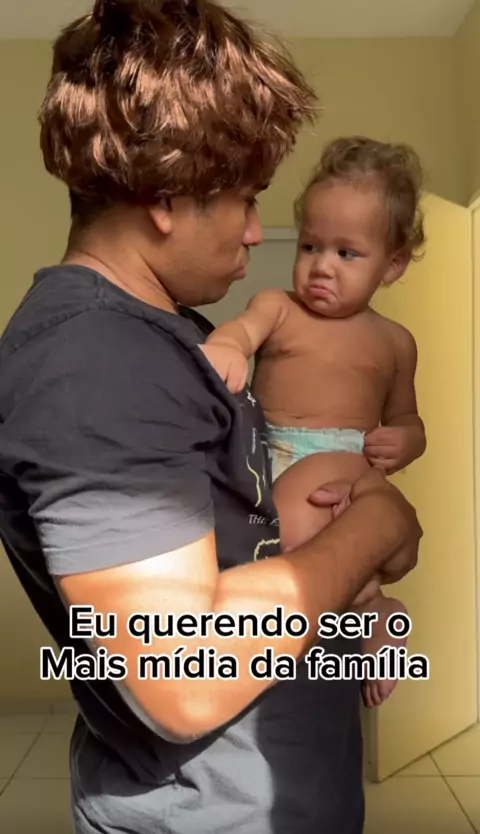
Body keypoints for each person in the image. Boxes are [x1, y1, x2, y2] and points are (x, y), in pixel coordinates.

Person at [0, 2, 421, 833]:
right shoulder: (93, 361)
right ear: (168, 196)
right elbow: (181, 674)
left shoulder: (165, 335)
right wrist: (376, 526)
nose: (258, 232)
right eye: (246, 199)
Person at [201, 136, 427, 709]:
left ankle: (374, 611)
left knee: (316, 544)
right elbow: (241, 332)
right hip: (271, 451)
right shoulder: (279, 307)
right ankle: (370, 608)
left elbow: (408, 419)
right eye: (310, 246)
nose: (322, 266)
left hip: (343, 461)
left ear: (393, 264)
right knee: (285, 554)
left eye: (347, 254)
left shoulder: (395, 342)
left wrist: (404, 440)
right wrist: (228, 347)